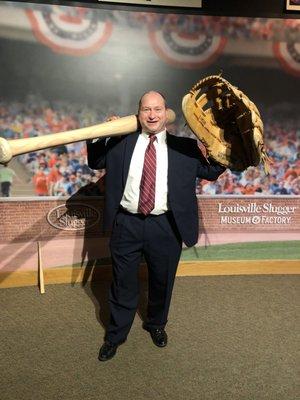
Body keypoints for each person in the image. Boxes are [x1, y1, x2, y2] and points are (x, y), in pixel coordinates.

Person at [87, 91, 225, 361]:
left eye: (158, 109)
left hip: (166, 226)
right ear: (138, 113)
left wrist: (220, 148)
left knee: (162, 282)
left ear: (166, 112)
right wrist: (99, 132)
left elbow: (210, 172)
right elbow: (96, 162)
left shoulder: (184, 147)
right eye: (147, 109)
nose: (152, 115)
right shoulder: (120, 143)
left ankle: (156, 325)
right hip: (127, 223)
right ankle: (115, 335)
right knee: (122, 283)